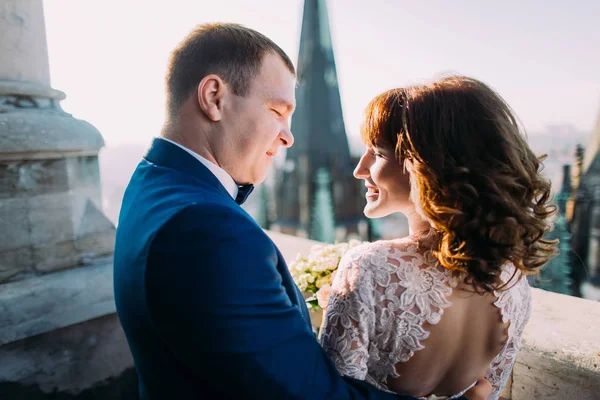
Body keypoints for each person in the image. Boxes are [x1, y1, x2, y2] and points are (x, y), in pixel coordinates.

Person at [113, 23, 492, 399]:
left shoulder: (152, 182)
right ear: (214, 97)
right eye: (277, 110)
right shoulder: (208, 230)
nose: (288, 135)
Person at [320, 76, 558, 400]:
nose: (360, 169)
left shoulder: (369, 268)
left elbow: (330, 394)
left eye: (377, 153)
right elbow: (484, 392)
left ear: (426, 167)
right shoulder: (513, 283)